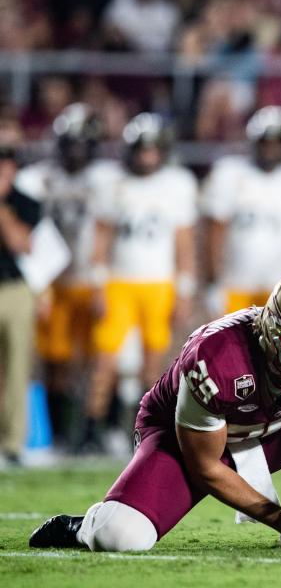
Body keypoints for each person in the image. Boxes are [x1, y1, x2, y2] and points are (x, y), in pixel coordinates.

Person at [28, 270, 281, 551]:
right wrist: (276, 517)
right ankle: (83, 526)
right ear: (273, 338)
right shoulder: (218, 359)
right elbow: (205, 466)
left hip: (266, 426)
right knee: (122, 536)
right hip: (185, 441)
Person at [79, 113, 199, 451]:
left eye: (152, 150)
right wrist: (99, 282)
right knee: (105, 360)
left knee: (154, 365)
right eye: (141, 150)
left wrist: (185, 289)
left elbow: (184, 242)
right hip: (120, 282)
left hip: (159, 284)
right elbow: (101, 237)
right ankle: (90, 430)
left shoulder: (177, 185)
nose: (146, 157)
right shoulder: (114, 183)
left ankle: (142, 431)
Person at [24, 103, 121, 445]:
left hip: (89, 281)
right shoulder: (43, 177)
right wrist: (41, 285)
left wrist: (99, 280)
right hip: (55, 282)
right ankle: (62, 434)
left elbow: (104, 232)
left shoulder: (105, 178)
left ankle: (96, 429)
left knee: (99, 359)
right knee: (56, 360)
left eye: (82, 143)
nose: (75, 150)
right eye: (70, 142)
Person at [203, 106, 281, 316]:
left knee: (277, 348)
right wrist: (213, 281)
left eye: (277, 142)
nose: (271, 148)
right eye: (266, 142)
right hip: (236, 284)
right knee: (234, 347)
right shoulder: (231, 173)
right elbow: (215, 231)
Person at [0, 124, 42, 466]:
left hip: (14, 290)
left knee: (17, 368)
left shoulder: (25, 203)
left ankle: (12, 444)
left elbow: (18, 243)